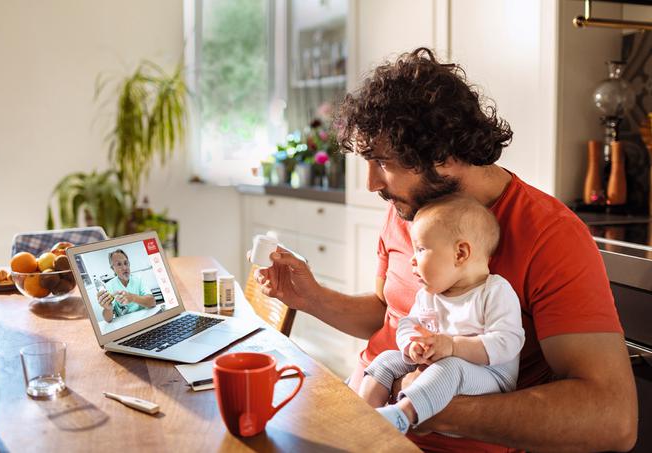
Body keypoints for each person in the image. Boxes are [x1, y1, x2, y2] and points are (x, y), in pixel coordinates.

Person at [256, 47, 637, 451]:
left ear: (445, 155)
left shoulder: (551, 235)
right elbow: (389, 312)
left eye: (382, 161)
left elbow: (614, 418)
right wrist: (311, 298)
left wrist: (428, 407)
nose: (371, 184)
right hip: (361, 416)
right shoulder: (409, 207)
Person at [358, 195, 524, 436]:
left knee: (451, 367)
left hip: (490, 376)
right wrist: (412, 344)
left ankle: (402, 416)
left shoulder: (495, 291)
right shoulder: (430, 293)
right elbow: (409, 324)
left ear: (460, 253)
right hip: (438, 363)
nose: (412, 260)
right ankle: (363, 417)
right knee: (386, 359)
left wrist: (453, 347)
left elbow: (508, 342)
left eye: (422, 249)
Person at [98, 249, 156, 323]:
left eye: (126, 263)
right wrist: (108, 308)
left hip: (143, 320)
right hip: (125, 325)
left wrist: (132, 297)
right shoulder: (109, 286)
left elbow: (152, 302)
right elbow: (108, 320)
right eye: (119, 264)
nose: (125, 268)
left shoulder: (138, 279)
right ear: (113, 269)